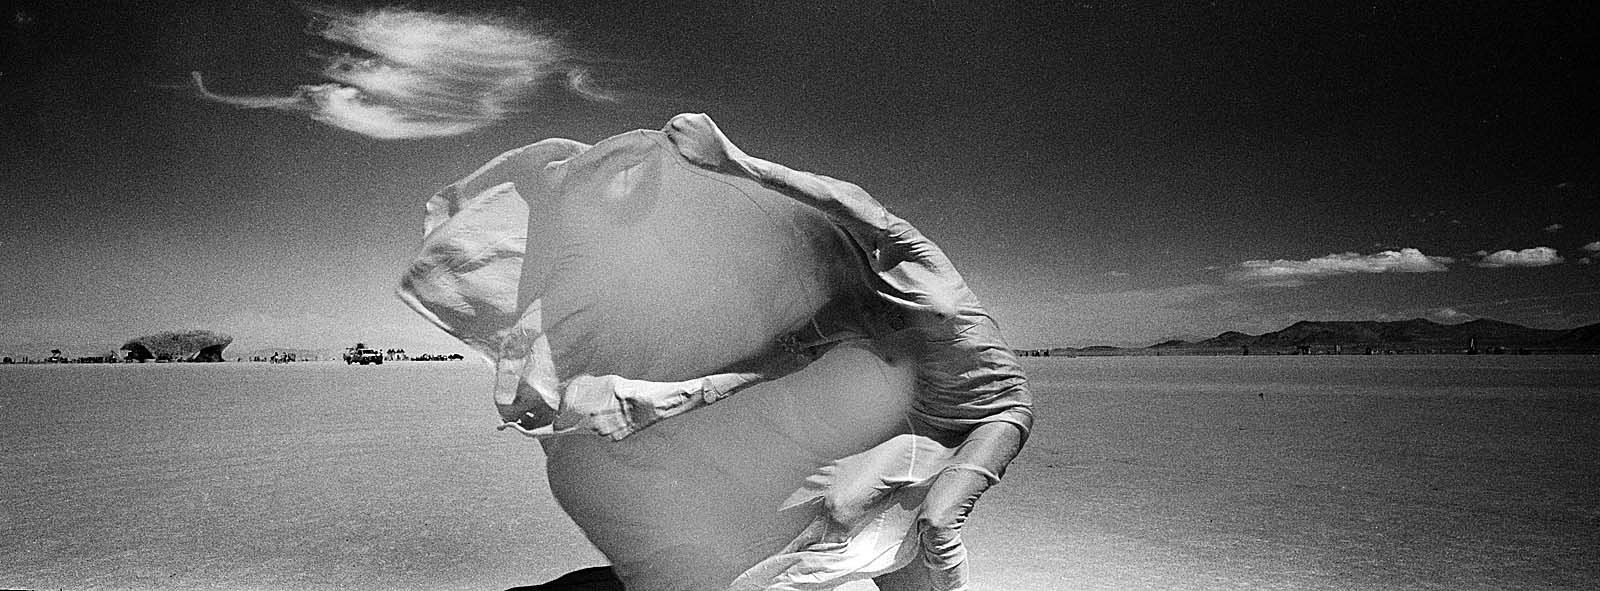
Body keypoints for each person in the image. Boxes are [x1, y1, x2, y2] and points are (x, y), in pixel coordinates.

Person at [497, 113, 1032, 590]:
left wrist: (736, 162)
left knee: (937, 523)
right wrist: (654, 401)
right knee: (841, 507)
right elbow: (767, 364)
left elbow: (839, 197)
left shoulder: (912, 256)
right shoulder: (845, 311)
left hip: (995, 414)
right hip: (923, 421)